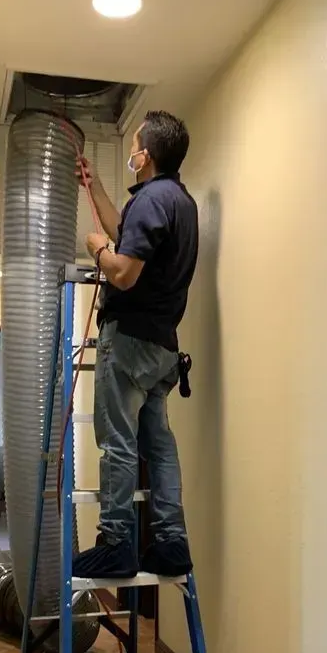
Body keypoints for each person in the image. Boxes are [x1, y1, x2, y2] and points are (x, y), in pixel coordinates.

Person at [72, 110, 198, 580]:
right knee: (158, 445)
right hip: (163, 348)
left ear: (144, 155)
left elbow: (123, 271)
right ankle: (170, 542)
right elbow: (129, 233)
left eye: (134, 145)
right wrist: (97, 186)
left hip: (128, 344)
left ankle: (117, 543)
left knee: (119, 443)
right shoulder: (178, 201)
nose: (131, 152)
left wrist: (96, 250)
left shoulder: (151, 200)